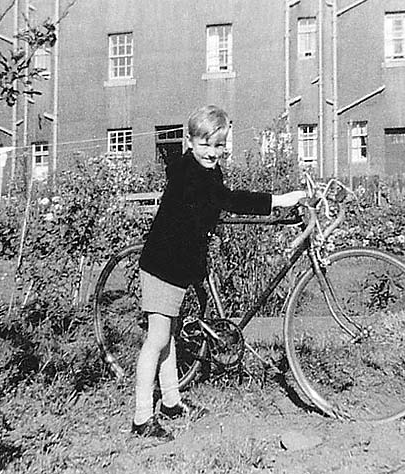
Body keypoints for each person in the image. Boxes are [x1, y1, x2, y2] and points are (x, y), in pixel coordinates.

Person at [131, 105, 307, 440]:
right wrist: (278, 199)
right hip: (162, 266)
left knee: (168, 336)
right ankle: (141, 417)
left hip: (177, 267)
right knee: (156, 339)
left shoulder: (203, 171)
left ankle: (170, 402)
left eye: (219, 146)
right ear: (190, 141)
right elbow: (227, 200)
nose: (212, 153)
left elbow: (209, 206)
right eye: (205, 145)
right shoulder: (190, 174)